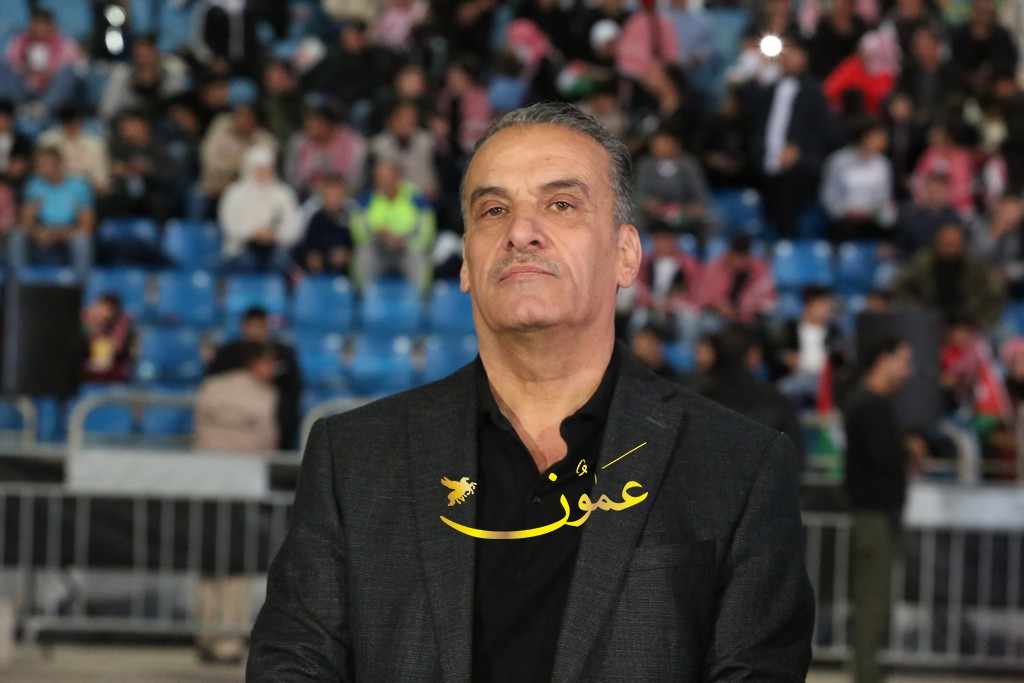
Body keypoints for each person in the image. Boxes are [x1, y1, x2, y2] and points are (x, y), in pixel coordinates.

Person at [248, 102, 814, 680]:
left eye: (561, 204)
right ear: (465, 263)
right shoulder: (353, 460)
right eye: (493, 210)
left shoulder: (738, 467)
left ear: (625, 255)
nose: (520, 232)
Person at [843, 334, 925, 683]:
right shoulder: (868, 405)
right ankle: (866, 671)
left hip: (878, 512)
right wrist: (907, 450)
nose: (908, 371)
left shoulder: (872, 404)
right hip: (873, 513)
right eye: (903, 360)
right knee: (871, 596)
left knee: (875, 594)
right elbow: (879, 457)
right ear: (883, 360)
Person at [194, 340, 280, 664]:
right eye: (269, 363)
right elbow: (268, 442)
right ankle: (229, 638)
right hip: (244, 487)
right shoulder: (265, 396)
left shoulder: (209, 388)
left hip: (206, 483)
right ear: (255, 363)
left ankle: (205, 633)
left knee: (207, 561)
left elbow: (199, 431)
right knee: (237, 563)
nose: (272, 370)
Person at [206, 307, 302, 450]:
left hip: (273, 421)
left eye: (260, 326)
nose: (256, 332)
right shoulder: (226, 354)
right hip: (231, 420)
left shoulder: (284, 353)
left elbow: (294, 389)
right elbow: (212, 385)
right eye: (252, 326)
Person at [6, 147, 95, 280]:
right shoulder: (35, 185)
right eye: (38, 165)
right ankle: (17, 283)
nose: (38, 168)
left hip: (68, 234)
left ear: (57, 164)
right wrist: (37, 232)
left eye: (43, 164)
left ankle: (80, 285)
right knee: (16, 235)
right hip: (42, 232)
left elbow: (87, 225)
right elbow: (25, 222)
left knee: (82, 240)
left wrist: (57, 234)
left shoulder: (79, 186)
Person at [350, 159, 435, 290]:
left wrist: (404, 242)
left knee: (419, 258)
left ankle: (422, 298)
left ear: (398, 178)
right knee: (363, 255)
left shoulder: (417, 199)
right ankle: (362, 296)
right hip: (377, 247)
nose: (380, 181)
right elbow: (358, 233)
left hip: (407, 247)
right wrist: (378, 236)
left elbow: (427, 233)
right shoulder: (365, 200)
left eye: (385, 177)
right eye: (378, 177)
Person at [219, 146, 301, 272]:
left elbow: (293, 228)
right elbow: (229, 227)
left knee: (281, 261)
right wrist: (253, 233)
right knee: (246, 262)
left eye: (267, 169)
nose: (263, 173)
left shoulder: (284, 193)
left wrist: (274, 235)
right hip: (241, 249)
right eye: (259, 169)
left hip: (276, 248)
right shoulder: (234, 194)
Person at [81, 293, 135, 383]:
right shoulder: (87, 318)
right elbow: (81, 335)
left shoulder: (121, 322)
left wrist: (101, 344)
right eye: (98, 307)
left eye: (104, 309)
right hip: (89, 362)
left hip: (113, 364)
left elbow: (117, 346)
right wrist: (91, 326)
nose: (99, 311)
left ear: (113, 311)